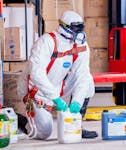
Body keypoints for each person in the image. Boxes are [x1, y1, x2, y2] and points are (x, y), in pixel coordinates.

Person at [17, 10, 98, 140]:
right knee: (44, 132)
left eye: (81, 28)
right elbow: (37, 75)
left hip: (57, 85)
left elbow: (82, 74)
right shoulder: (46, 42)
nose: (79, 33)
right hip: (35, 91)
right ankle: (20, 121)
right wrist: (56, 98)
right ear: (64, 27)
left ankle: (77, 125)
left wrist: (77, 101)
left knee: (88, 80)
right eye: (75, 28)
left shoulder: (81, 45)